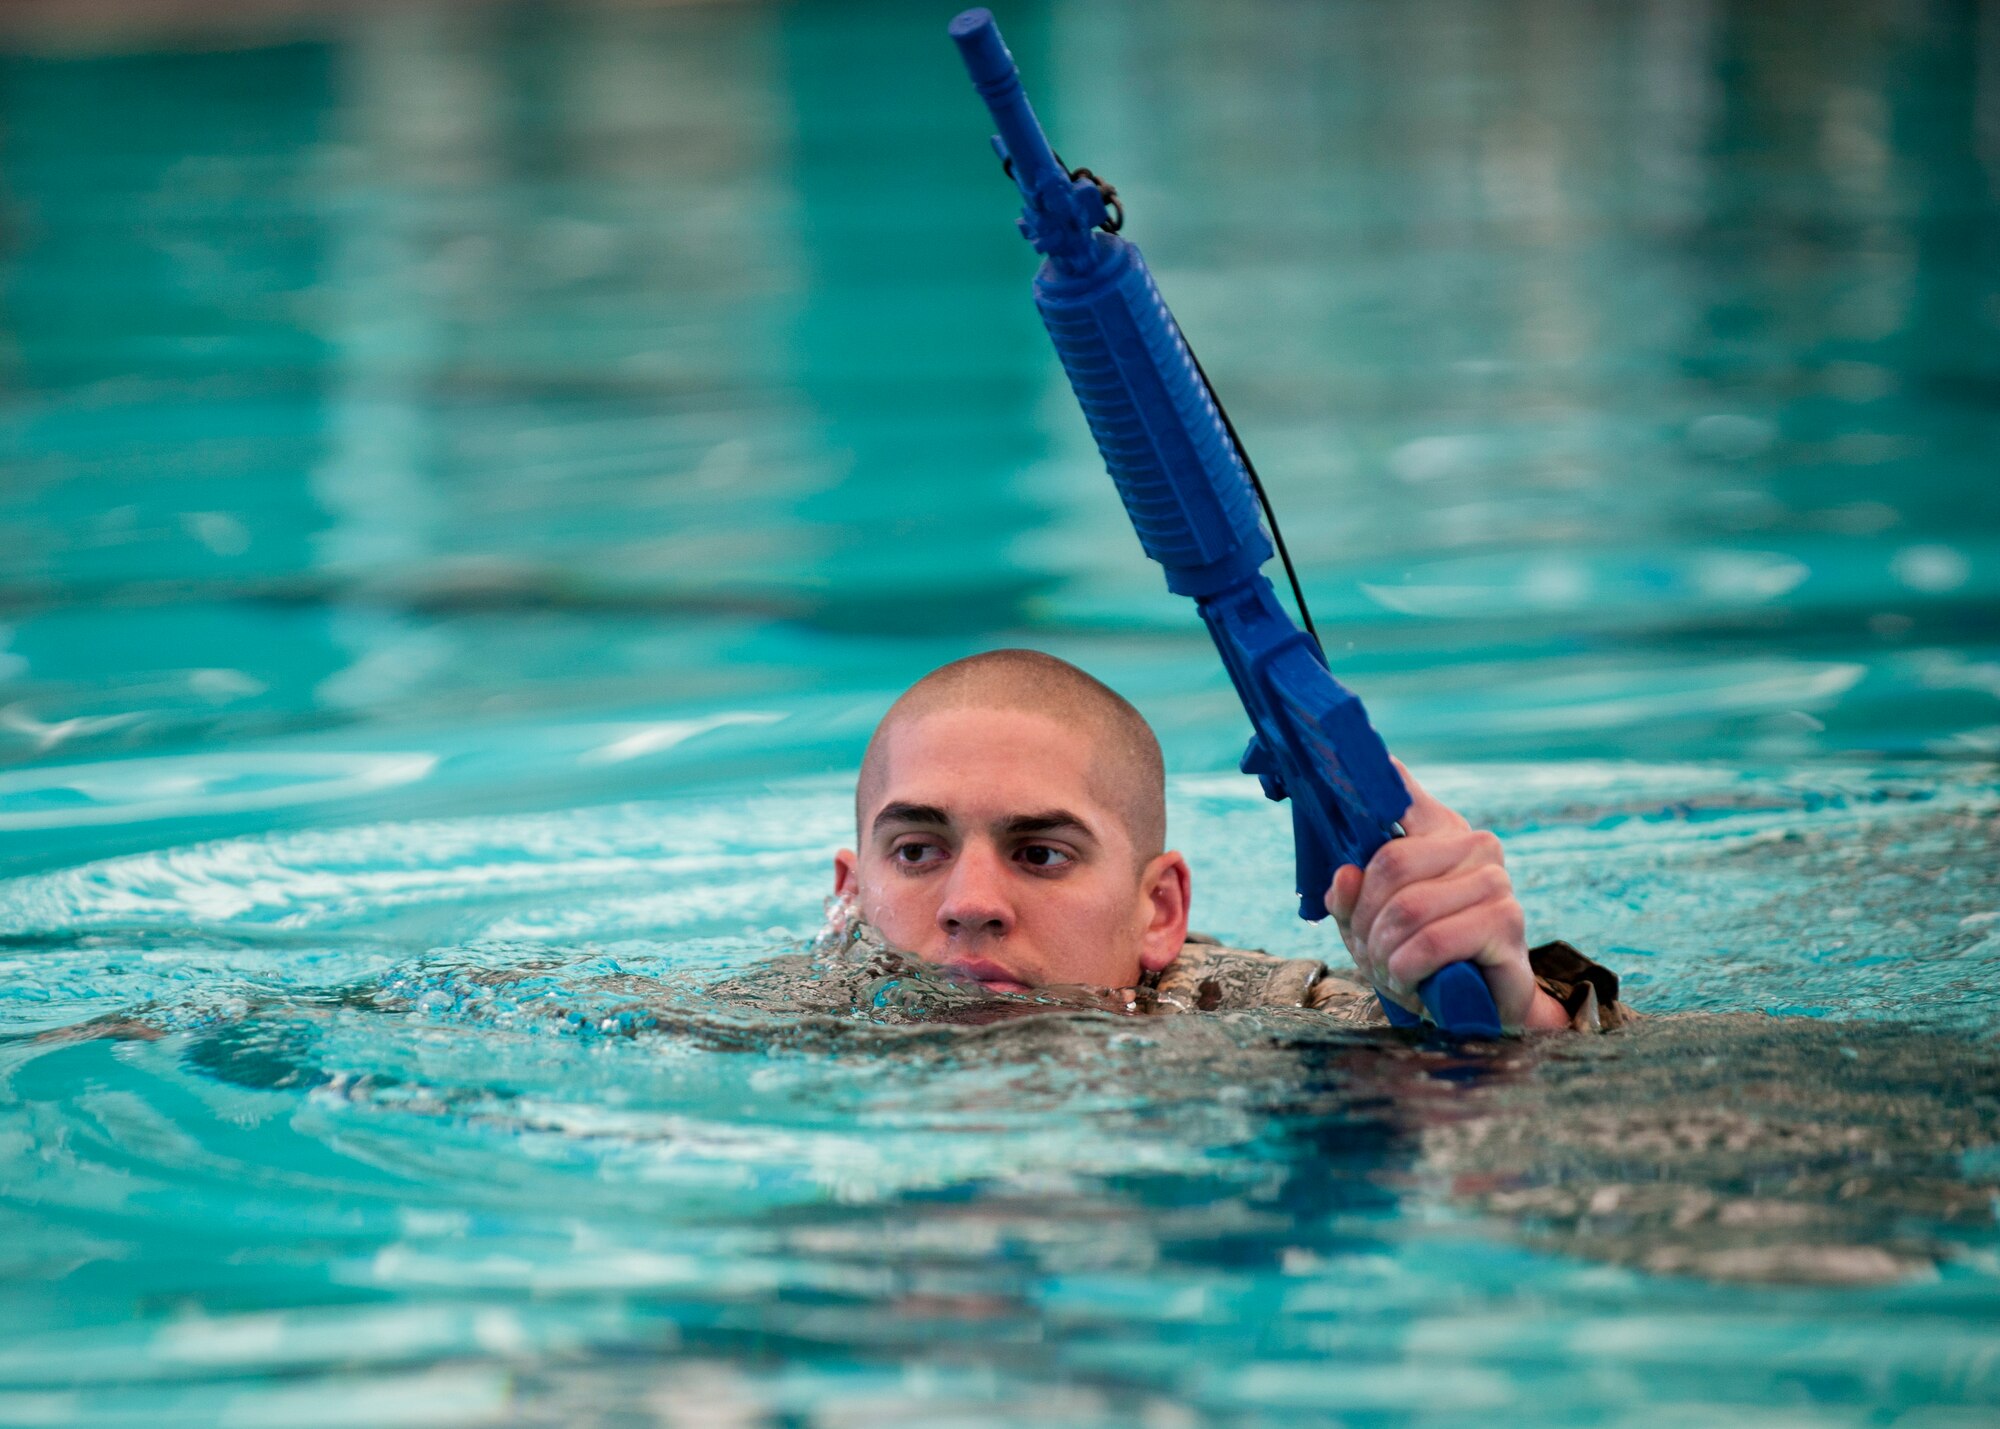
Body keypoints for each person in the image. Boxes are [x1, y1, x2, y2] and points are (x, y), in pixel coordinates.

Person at [829, 648, 1627, 1033]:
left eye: (1040, 854)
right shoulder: (763, 1020)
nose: (971, 904)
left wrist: (1520, 1018)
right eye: (916, 851)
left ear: (1160, 912)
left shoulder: (1252, 1016)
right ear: (848, 895)